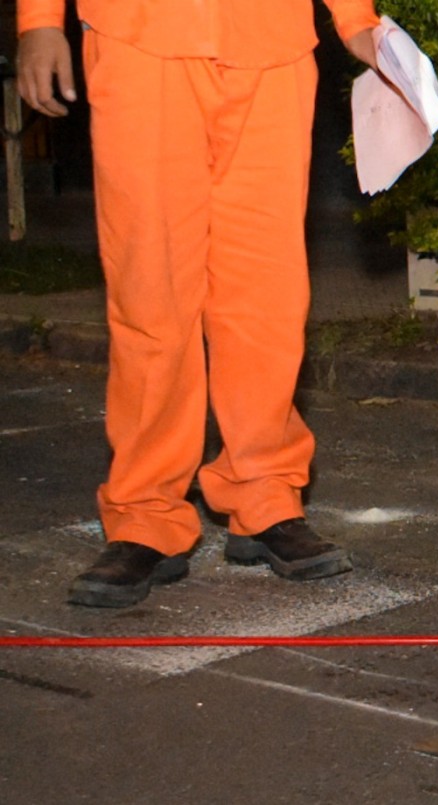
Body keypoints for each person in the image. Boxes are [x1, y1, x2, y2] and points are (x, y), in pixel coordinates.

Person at [15, 0, 381, 608]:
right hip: (139, 38)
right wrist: (40, 22)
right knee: (149, 291)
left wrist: (356, 19)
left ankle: (265, 493)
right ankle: (145, 514)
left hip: (272, 44)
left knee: (268, 294)